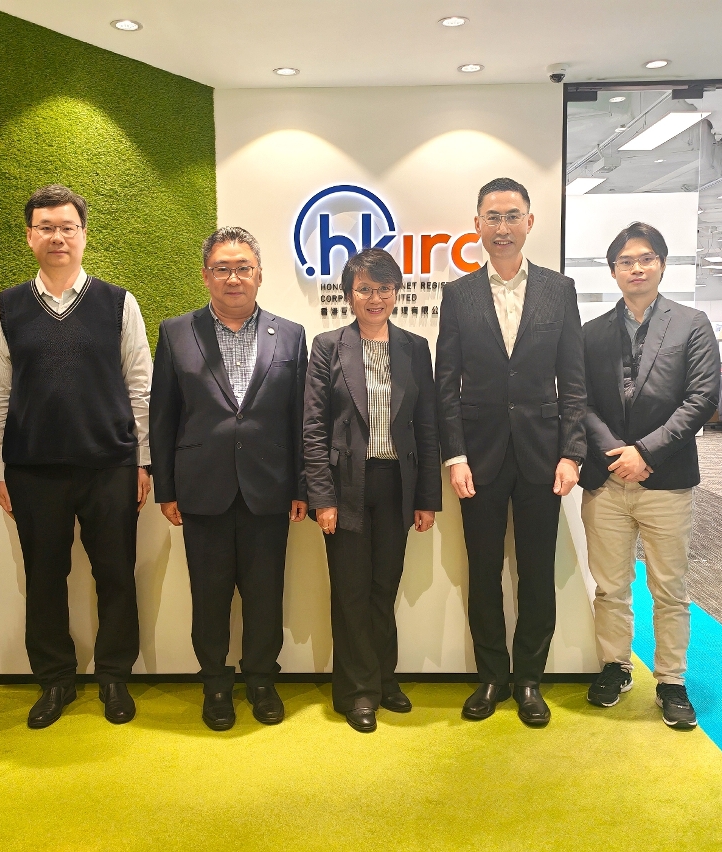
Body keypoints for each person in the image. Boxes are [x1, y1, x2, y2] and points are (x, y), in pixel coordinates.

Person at [0, 184, 152, 729]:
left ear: (83, 234)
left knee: (116, 575)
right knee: (44, 577)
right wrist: (1, 471)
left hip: (110, 465)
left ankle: (114, 676)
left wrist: (142, 462)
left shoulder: (118, 302)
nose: (58, 237)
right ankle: (54, 679)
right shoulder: (6, 307)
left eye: (68, 227)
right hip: (33, 469)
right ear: (29, 236)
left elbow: (140, 386)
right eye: (46, 227)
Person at [435, 177, 587, 727]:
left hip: (543, 457)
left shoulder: (558, 290)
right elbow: (445, 384)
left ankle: (528, 680)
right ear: (477, 224)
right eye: (493, 217)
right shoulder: (458, 295)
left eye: (512, 216)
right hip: (477, 460)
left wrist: (572, 453)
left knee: (537, 572)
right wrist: (455, 456)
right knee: (482, 572)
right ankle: (492, 677)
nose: (503, 227)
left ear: (529, 222)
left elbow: (574, 382)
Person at [150, 226, 308, 731]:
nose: (233, 278)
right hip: (202, 490)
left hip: (270, 488)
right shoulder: (176, 332)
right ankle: (215, 684)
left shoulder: (290, 334)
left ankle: (261, 679)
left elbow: (300, 418)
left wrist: (301, 486)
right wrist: (166, 489)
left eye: (243, 268)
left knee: (265, 594)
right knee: (209, 596)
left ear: (260, 274)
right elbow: (162, 417)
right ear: (206, 276)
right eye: (222, 268)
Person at [579, 223, 720, 729]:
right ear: (613, 270)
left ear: (661, 264)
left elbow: (702, 398)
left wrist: (645, 452)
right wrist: (617, 453)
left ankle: (671, 681)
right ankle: (614, 666)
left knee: (670, 587)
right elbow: (579, 401)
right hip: (607, 478)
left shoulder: (692, 324)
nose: (636, 268)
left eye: (645, 259)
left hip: (666, 478)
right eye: (625, 261)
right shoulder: (591, 332)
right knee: (610, 585)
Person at [304, 248, 443, 733]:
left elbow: (427, 427)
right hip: (346, 485)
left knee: (384, 587)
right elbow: (313, 428)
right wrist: (322, 498)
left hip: (397, 484)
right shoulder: (328, 346)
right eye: (364, 288)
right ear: (349, 295)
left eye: (384, 288)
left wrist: (427, 498)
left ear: (396, 292)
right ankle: (356, 692)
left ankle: (385, 679)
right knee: (351, 591)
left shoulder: (414, 347)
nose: (375, 298)